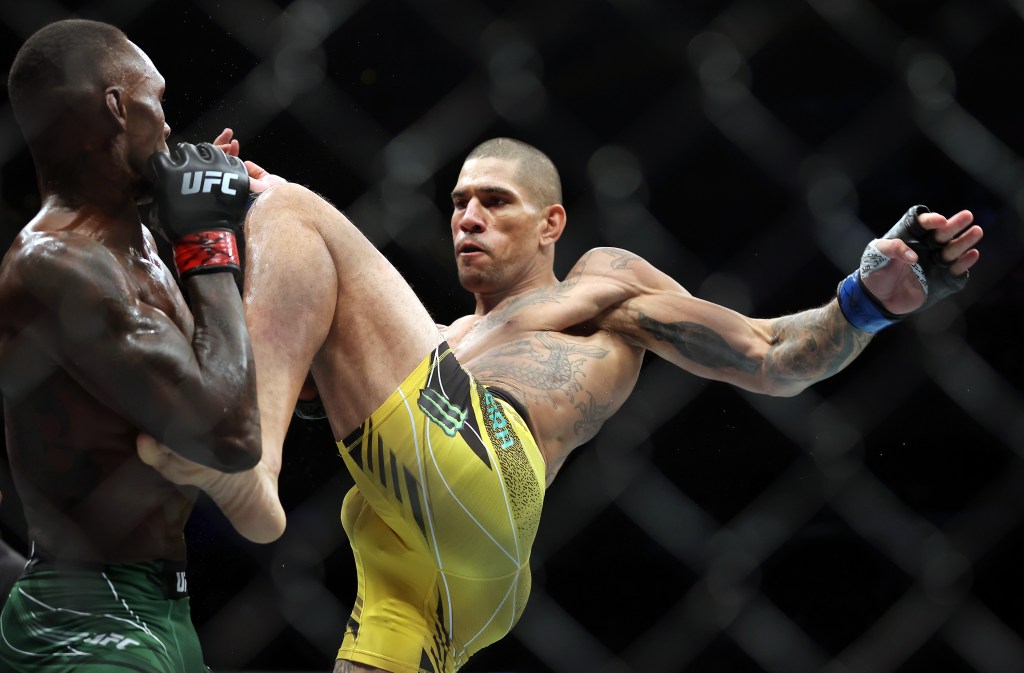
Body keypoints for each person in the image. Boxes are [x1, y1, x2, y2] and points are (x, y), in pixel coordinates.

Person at [140, 136, 982, 673]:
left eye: (494, 202)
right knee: (278, 233)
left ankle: (250, 458)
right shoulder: (435, 339)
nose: (468, 217)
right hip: (415, 569)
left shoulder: (602, 287)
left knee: (290, 200)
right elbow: (280, 326)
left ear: (552, 222)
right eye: (459, 203)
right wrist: (226, 230)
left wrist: (864, 303)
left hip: (492, 480)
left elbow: (770, 355)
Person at [0, 19, 264, 672]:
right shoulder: (56, 262)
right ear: (117, 106)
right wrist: (209, 242)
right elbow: (228, 432)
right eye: (159, 101)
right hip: (85, 621)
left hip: (167, 609)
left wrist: (203, 228)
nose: (171, 128)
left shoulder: (141, 246)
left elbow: (226, 367)